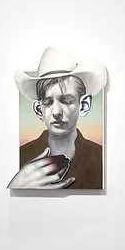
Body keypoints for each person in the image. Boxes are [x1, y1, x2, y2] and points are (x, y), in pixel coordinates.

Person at [11, 48, 107, 192]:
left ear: (84, 105)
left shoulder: (99, 156)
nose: (56, 112)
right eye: (48, 102)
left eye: (67, 100)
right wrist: (18, 185)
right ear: (39, 110)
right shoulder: (23, 154)